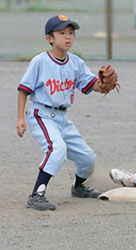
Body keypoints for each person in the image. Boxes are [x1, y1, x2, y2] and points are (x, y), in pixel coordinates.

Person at [16, 15, 112, 211]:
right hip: (40, 114)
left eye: (71, 33)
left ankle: (78, 188)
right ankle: (37, 194)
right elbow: (23, 90)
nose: (68, 37)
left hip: (62, 118)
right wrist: (20, 118)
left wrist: (103, 85)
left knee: (87, 158)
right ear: (49, 38)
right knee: (56, 149)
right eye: (62, 33)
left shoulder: (76, 62)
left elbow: (92, 85)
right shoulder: (40, 62)